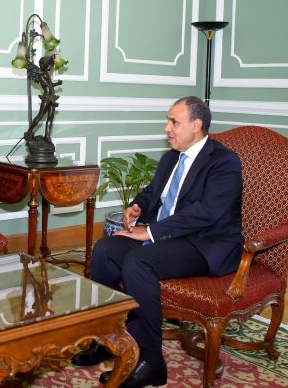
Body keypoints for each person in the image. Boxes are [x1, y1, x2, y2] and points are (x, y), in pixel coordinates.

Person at [73, 96, 243, 388]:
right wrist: (138, 206)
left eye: (174, 122)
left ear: (196, 125)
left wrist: (150, 231)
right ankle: (108, 340)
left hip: (203, 243)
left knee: (137, 263)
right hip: (168, 235)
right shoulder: (171, 158)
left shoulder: (224, 161)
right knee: (104, 250)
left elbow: (206, 213)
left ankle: (151, 361)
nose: (167, 128)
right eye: (168, 121)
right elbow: (154, 192)